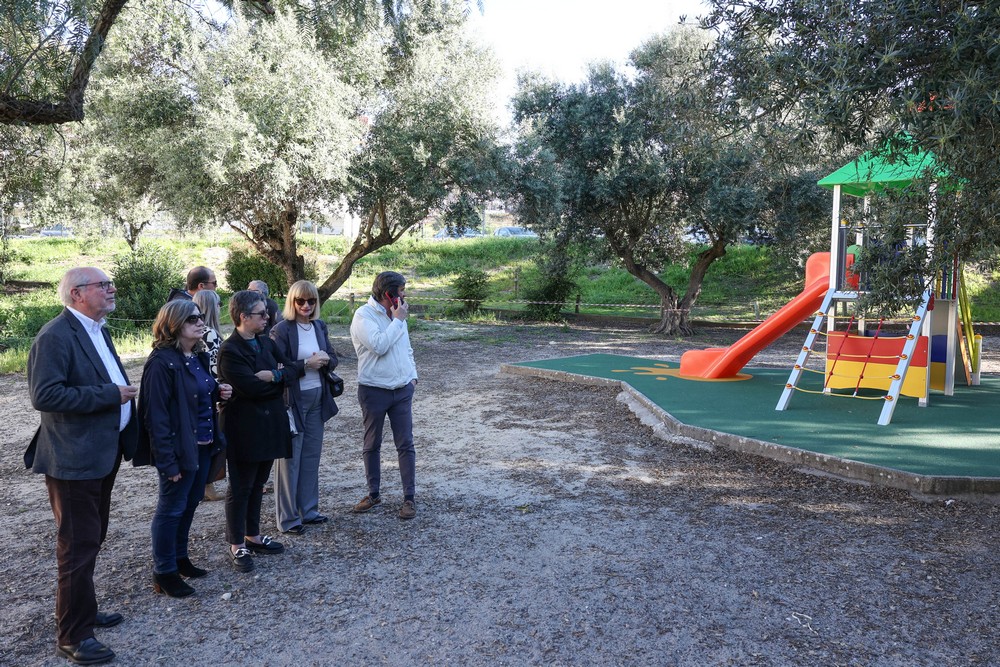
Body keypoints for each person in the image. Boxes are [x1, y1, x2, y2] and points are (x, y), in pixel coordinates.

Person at [26, 267, 139, 666]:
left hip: (100, 454)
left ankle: (82, 611)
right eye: (102, 285)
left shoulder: (96, 328)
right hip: (72, 459)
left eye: (109, 284)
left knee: (91, 538)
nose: (111, 289)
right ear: (77, 294)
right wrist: (110, 395)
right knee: (76, 546)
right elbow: (45, 394)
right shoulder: (55, 336)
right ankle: (73, 636)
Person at [134, 300, 232, 597]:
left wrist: (219, 389)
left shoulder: (196, 355)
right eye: (192, 320)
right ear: (173, 324)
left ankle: (179, 559)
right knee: (171, 508)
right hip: (179, 449)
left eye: (201, 318)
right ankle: (163, 572)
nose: (200, 323)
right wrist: (167, 461)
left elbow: (199, 389)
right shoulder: (161, 362)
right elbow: (156, 416)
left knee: (188, 504)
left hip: (202, 445)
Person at [218, 290, 304, 572]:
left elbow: (293, 370)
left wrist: (275, 375)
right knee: (241, 486)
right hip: (244, 427)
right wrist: (276, 382)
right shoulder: (230, 350)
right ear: (243, 317)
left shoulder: (266, 342)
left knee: (258, 484)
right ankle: (236, 544)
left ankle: (252, 535)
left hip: (269, 424)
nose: (268, 317)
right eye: (261, 314)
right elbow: (250, 388)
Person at [270, 280, 338, 534]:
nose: (306, 306)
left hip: (318, 398)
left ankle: (308, 511)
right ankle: (288, 519)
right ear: (292, 302)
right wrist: (306, 364)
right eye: (301, 301)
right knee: (289, 460)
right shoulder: (281, 330)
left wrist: (327, 360)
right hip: (292, 401)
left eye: (311, 301)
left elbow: (333, 357)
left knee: (311, 456)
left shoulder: (319, 326)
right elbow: (277, 368)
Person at [350, 271, 419, 520]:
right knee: (372, 443)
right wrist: (398, 320)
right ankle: (374, 494)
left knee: (406, 444)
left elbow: (406, 347)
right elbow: (379, 345)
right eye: (401, 290)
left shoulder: (398, 315)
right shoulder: (363, 316)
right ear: (388, 293)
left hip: (401, 390)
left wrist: (413, 377)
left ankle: (409, 498)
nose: (404, 295)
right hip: (374, 391)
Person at [193, 290, 227, 502]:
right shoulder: (210, 334)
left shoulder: (199, 332)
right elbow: (215, 368)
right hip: (212, 393)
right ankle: (208, 485)